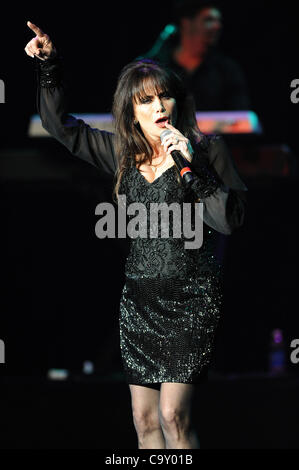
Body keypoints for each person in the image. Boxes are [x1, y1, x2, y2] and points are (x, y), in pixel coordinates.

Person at [25, 21, 247, 449]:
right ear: (132, 110)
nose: (159, 104)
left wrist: (194, 168)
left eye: (164, 95)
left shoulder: (206, 149)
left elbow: (228, 220)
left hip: (191, 299)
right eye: (147, 100)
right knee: (145, 421)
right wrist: (49, 65)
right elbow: (61, 128)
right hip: (140, 302)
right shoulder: (122, 153)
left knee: (173, 416)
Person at [138, 0, 251, 111]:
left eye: (219, 21)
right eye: (209, 20)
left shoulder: (227, 69)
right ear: (186, 22)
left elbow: (240, 116)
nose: (217, 26)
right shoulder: (157, 68)